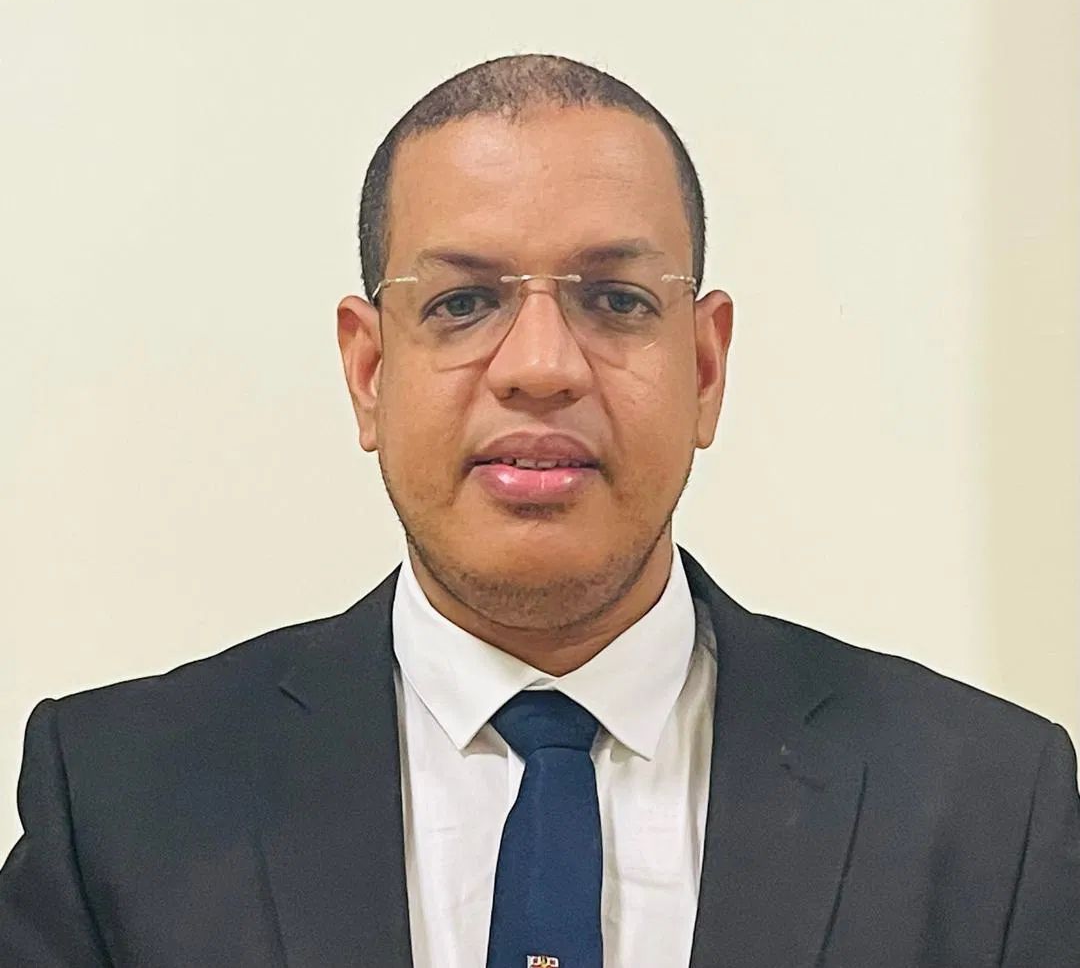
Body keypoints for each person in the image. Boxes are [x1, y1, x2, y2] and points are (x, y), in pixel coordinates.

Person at [1, 53, 1077, 968]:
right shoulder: (120, 801)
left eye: (615, 300)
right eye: (463, 302)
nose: (542, 367)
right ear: (369, 372)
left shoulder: (989, 805)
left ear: (705, 368)